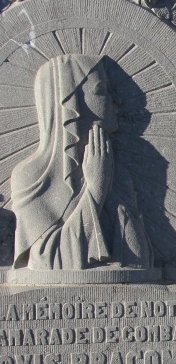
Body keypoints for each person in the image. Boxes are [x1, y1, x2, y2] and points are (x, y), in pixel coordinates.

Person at [11, 54, 151, 271]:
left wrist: (109, 186)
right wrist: (96, 189)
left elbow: (140, 261)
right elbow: (48, 263)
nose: (116, 99)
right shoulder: (31, 176)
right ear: (71, 105)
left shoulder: (118, 174)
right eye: (101, 90)